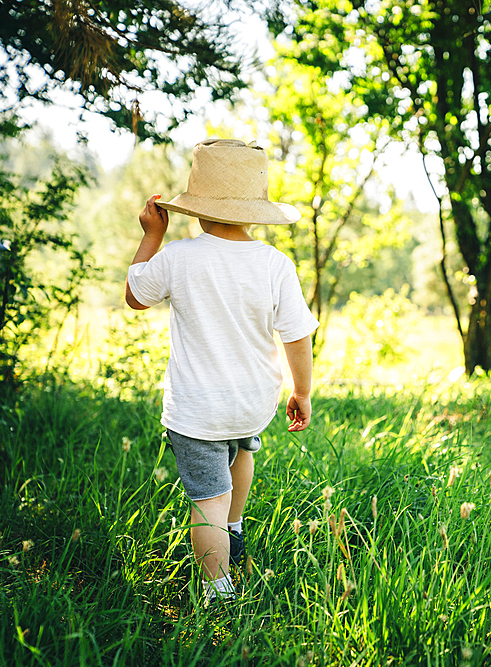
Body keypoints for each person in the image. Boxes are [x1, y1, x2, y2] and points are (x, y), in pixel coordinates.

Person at [124, 139, 318, 608]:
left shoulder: (179, 256)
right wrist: (302, 391)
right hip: (252, 402)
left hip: (197, 409)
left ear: (194, 209)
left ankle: (218, 590)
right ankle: (234, 527)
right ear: (256, 210)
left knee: (206, 498)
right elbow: (296, 335)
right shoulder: (274, 263)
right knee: (242, 451)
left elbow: (136, 295)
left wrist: (152, 235)